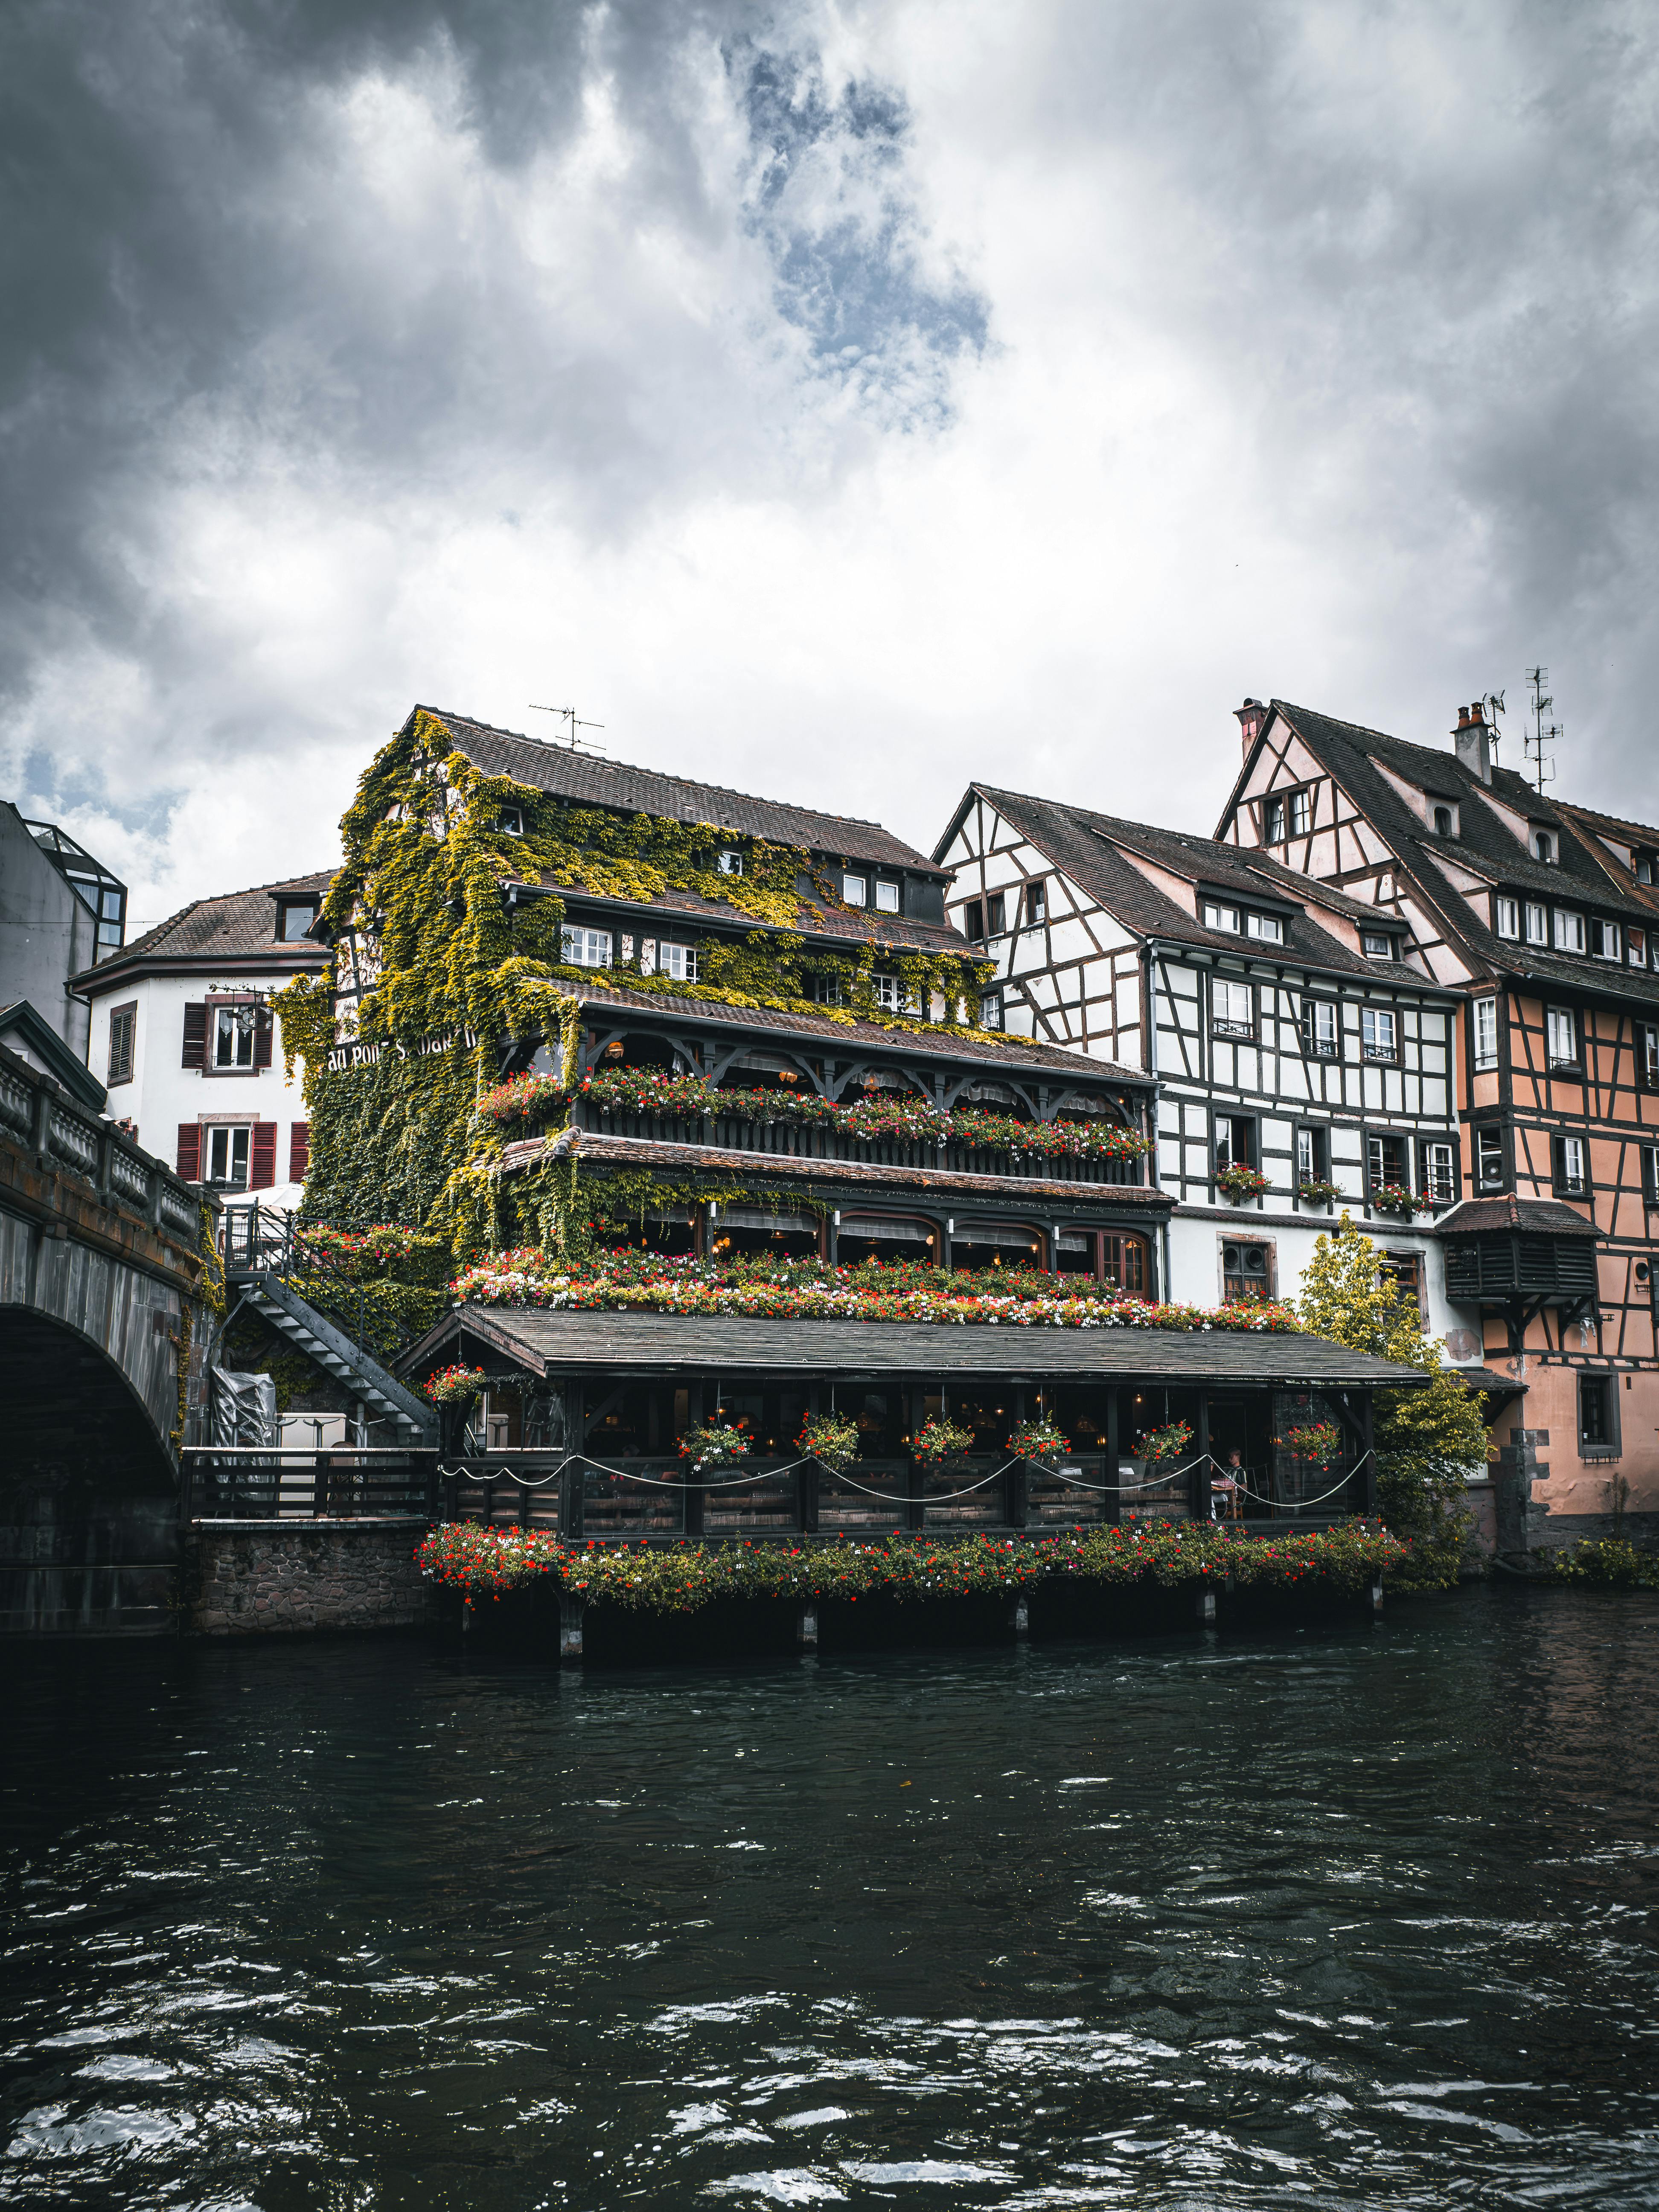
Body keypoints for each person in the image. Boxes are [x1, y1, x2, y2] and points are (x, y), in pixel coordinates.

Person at [1211, 1448, 1243, 1521]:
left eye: (1232, 1457)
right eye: (1229, 1458)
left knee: (1210, 1498)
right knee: (1208, 1497)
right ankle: (1212, 1518)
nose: (1230, 1460)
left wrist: (1234, 1486)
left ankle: (1213, 1519)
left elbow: (1245, 1488)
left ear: (1237, 1457)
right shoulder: (1229, 1470)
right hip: (1223, 1493)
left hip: (1232, 1495)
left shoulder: (1241, 1472)